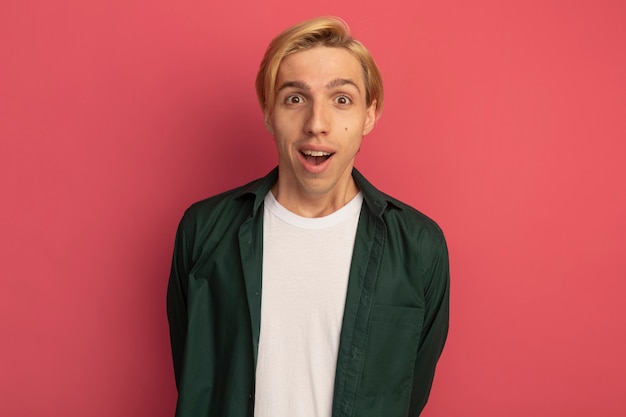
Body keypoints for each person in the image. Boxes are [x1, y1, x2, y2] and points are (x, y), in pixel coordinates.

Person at [167, 16, 449, 417]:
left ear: (370, 115)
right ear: (269, 114)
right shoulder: (204, 231)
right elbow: (197, 377)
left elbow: (408, 394)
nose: (317, 124)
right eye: (295, 98)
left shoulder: (419, 247)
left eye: (342, 99)